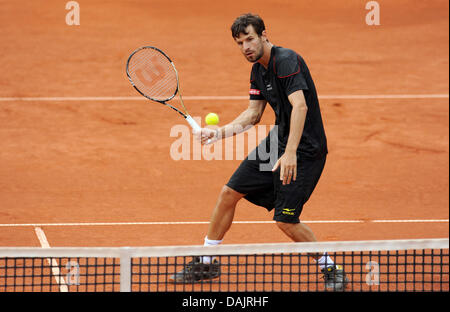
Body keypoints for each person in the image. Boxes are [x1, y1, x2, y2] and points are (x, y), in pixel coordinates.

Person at [169, 13, 347, 291]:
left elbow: (300, 107)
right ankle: (207, 261)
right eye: (240, 43)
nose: (246, 47)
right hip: (279, 141)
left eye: (250, 39)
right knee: (229, 193)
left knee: (285, 220)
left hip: (306, 149)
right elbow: (253, 115)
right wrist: (218, 133)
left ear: (264, 35)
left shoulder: (286, 60)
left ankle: (330, 267)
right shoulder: (258, 71)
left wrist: (289, 154)